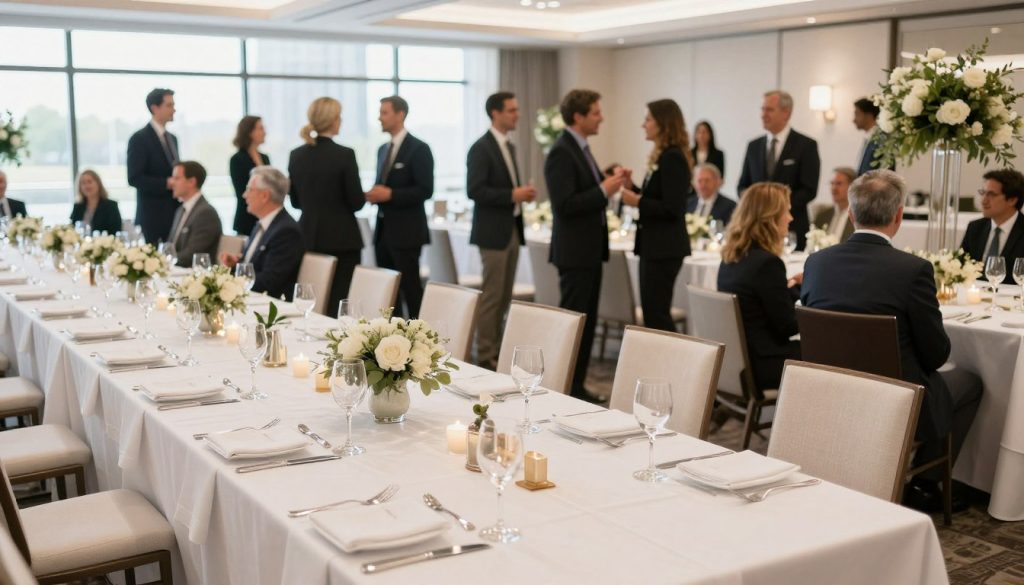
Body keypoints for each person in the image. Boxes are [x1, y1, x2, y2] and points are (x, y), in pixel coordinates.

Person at [801, 169, 981, 511]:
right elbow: (937, 354)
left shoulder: (817, 263)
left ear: (851, 214)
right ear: (898, 216)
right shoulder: (912, 270)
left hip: (828, 389)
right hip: (893, 397)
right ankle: (926, 486)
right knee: (970, 382)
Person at [544, 89, 625, 403]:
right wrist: (604, 190)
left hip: (588, 250)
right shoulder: (561, 152)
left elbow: (584, 190)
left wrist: (607, 182)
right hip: (575, 252)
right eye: (595, 112)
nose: (601, 117)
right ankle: (567, 386)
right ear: (578, 116)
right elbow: (564, 204)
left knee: (587, 323)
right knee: (576, 323)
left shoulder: (581, 148)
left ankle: (576, 387)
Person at [467, 91, 537, 369]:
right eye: (511, 110)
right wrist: (512, 194)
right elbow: (475, 190)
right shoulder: (481, 148)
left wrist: (517, 196)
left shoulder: (509, 146)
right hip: (492, 232)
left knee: (505, 296)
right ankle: (484, 356)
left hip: (511, 229)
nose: (517, 114)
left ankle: (497, 351)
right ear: (495, 113)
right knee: (493, 297)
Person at [717, 182, 801, 392]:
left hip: (738, 361)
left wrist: (791, 287)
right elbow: (787, 327)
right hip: (764, 364)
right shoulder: (767, 264)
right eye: (787, 211)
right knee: (832, 352)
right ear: (770, 218)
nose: (790, 218)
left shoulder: (730, 257)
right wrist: (808, 295)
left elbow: (760, 303)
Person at [288, 97, 365, 315]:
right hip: (342, 238)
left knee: (312, 299)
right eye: (339, 116)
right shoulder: (344, 155)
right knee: (339, 301)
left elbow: (295, 202)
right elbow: (356, 202)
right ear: (332, 120)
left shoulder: (296, 155)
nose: (341, 121)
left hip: (308, 235)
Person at [620, 98, 692, 333]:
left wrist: (638, 201)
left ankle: (674, 364)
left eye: (648, 119)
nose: (644, 125)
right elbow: (660, 198)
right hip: (656, 245)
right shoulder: (663, 155)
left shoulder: (672, 157)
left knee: (657, 314)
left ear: (663, 123)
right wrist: (634, 188)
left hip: (664, 247)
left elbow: (673, 208)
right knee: (653, 312)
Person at [367, 95, 433, 318]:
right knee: (388, 294)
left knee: (411, 289)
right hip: (383, 231)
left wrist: (391, 194)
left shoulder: (419, 148)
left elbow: (426, 190)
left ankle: (419, 340)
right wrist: (375, 194)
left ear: (400, 114)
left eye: (384, 112)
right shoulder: (382, 150)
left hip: (407, 233)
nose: (379, 117)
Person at [737, 90, 820, 250]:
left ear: (786, 113)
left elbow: (809, 189)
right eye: (762, 109)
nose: (763, 114)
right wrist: (753, 205)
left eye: (769, 110)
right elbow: (742, 185)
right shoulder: (753, 146)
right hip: (756, 231)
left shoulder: (805, 145)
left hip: (791, 228)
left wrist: (776, 209)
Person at [220, 166, 304, 300]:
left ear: (265, 196)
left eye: (249, 190)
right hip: (252, 298)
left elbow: (270, 281)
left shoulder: (286, 231)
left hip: (270, 306)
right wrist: (234, 265)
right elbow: (253, 268)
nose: (244, 195)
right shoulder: (262, 224)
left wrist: (228, 283)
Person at [127, 88, 180, 244]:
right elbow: (134, 178)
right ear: (155, 108)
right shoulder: (139, 139)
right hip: (152, 216)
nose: (174, 109)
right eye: (169, 105)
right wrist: (167, 183)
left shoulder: (172, 139)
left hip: (174, 213)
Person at [960, 169, 1024, 284]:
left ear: (1012, 200)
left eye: (991, 194)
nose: (984, 200)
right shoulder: (975, 228)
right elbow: (961, 268)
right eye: (983, 193)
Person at [167, 161, 222, 268]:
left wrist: (162, 263)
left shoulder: (206, 213)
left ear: (191, 182)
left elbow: (191, 256)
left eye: (176, 178)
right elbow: (170, 246)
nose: (171, 182)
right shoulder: (181, 210)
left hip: (194, 275)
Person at [230, 115, 269, 236]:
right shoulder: (237, 159)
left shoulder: (265, 158)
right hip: (246, 219)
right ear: (249, 132)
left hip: (265, 217)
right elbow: (241, 192)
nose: (265, 132)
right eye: (260, 128)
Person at [812, 167, 856, 242]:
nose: (834, 188)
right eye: (832, 183)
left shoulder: (858, 219)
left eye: (839, 184)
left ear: (852, 187)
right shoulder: (822, 215)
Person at [70, 170, 122, 235]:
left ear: (98, 183)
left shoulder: (111, 206)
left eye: (89, 182)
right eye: (83, 183)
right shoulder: (77, 206)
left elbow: (115, 232)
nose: (87, 186)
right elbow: (71, 230)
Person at [853, 97, 893, 176]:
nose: (853, 120)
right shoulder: (869, 137)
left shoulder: (881, 138)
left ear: (868, 115)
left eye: (857, 114)